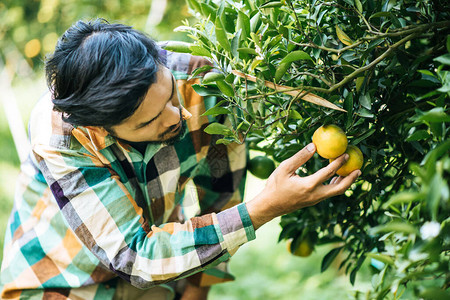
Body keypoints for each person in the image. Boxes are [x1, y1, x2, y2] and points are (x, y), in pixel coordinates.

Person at [0, 19, 360, 300]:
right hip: (57, 279)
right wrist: (265, 207)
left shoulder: (205, 84)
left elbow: (220, 194)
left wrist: (200, 286)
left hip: (157, 281)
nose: (177, 116)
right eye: (150, 121)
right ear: (103, 128)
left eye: (170, 93)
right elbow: (136, 255)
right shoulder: (62, 136)